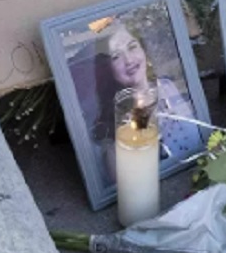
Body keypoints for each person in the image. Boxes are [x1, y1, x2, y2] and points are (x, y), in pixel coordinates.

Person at [70, 19, 199, 174]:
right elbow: (122, 181)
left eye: (132, 47)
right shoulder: (112, 119)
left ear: (143, 49)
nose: (129, 60)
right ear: (107, 69)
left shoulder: (166, 86)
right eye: (116, 56)